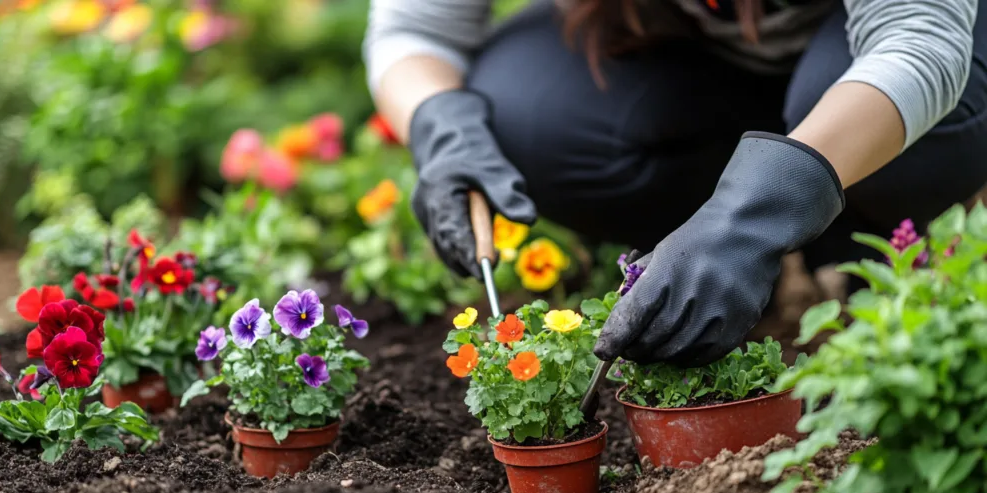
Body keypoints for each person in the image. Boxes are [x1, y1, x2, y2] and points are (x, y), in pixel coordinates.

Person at [363, 0, 986, 367]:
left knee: (899, 118)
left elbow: (920, 41)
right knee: (523, 113)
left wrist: (758, 213)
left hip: (906, 47)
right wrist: (442, 131)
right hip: (700, 69)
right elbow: (415, 31)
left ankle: (850, 230)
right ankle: (715, 251)